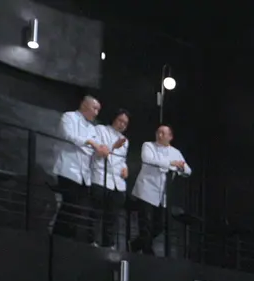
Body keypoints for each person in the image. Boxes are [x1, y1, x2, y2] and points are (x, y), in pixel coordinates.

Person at [52, 96, 109, 241]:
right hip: (68, 169)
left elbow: (95, 149)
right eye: (94, 108)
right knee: (69, 205)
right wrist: (90, 142)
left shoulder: (92, 128)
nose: (96, 113)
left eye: (98, 110)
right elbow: (68, 135)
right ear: (84, 105)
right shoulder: (69, 117)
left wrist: (100, 150)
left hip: (84, 175)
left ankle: (68, 240)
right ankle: (57, 238)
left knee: (78, 210)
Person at [131, 125, 190, 254]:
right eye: (158, 132)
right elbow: (147, 159)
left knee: (159, 226)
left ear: (170, 137)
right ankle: (147, 252)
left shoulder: (175, 152)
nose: (160, 135)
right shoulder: (148, 145)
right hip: (146, 190)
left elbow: (187, 170)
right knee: (145, 224)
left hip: (162, 194)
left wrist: (180, 167)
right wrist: (170, 163)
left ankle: (135, 245)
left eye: (163, 133)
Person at [90, 109, 130, 248]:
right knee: (96, 213)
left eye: (125, 123)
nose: (122, 125)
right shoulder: (100, 130)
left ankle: (109, 245)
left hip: (117, 182)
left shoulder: (126, 141)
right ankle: (92, 241)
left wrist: (125, 167)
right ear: (114, 119)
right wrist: (114, 146)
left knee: (112, 217)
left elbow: (121, 159)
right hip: (101, 177)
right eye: (120, 121)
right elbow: (100, 152)